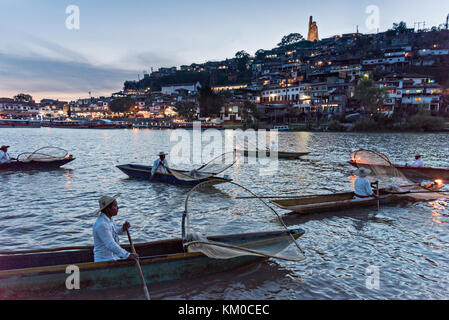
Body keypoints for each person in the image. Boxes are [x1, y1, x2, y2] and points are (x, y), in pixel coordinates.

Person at [92, 195, 139, 262]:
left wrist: (123, 229)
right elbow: (110, 244)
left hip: (114, 257)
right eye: (115, 206)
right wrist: (127, 255)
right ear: (108, 209)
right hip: (104, 260)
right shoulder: (102, 224)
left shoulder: (110, 219)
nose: (118, 208)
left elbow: (115, 231)